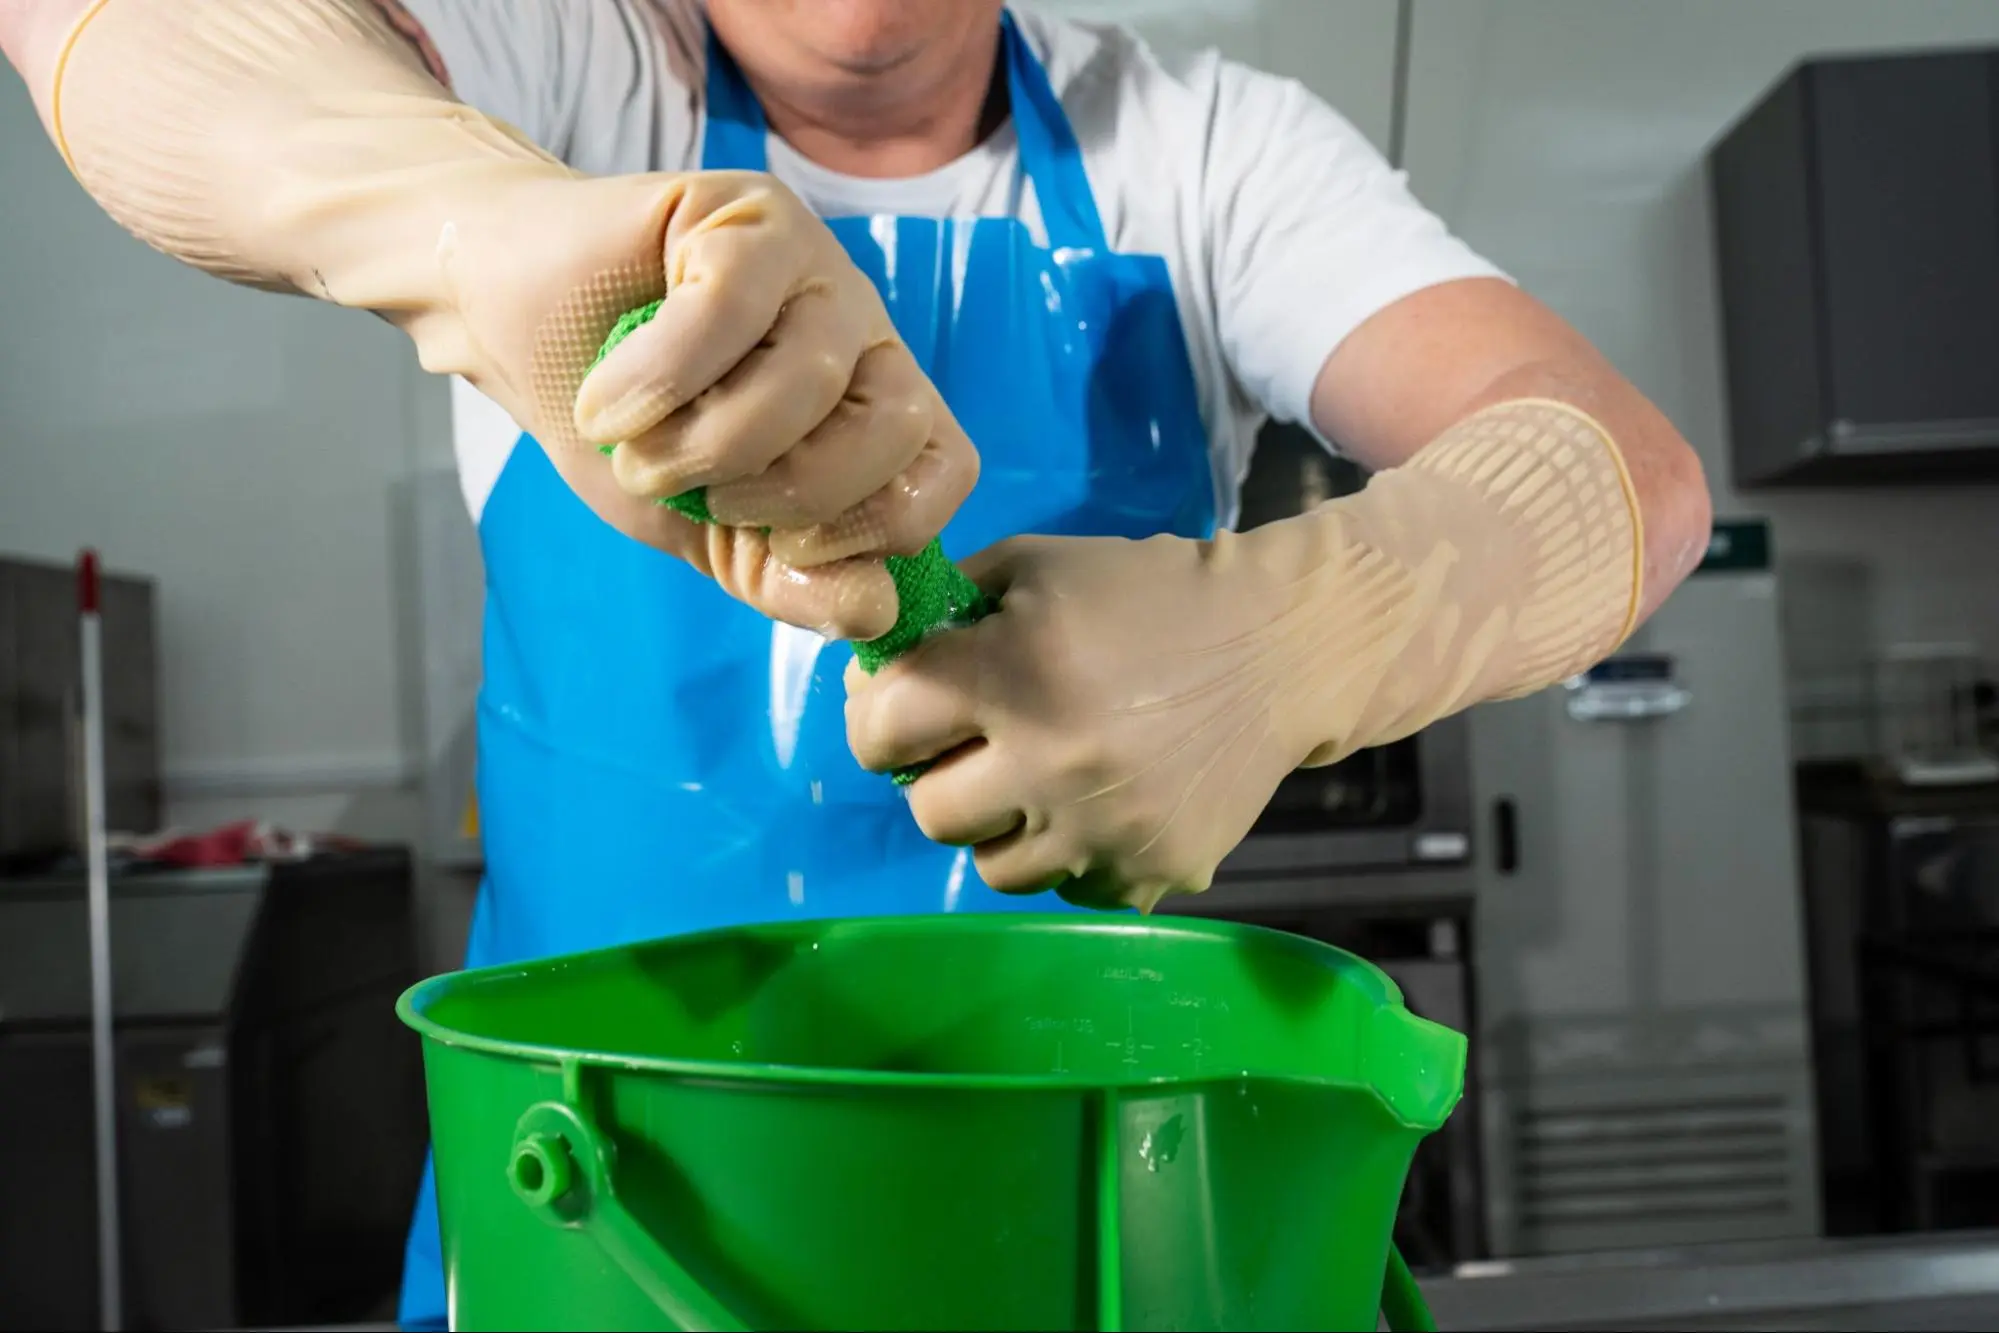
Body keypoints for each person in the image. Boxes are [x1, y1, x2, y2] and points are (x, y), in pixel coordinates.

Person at [2, 0, 1711, 1325]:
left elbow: (1626, 474)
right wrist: (466, 220)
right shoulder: (575, 74)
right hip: (606, 1197)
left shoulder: (1205, 150)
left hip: (1067, 1210)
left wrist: (1305, 629)